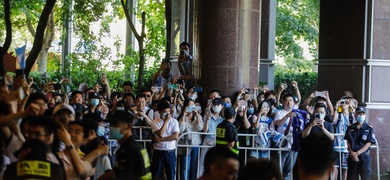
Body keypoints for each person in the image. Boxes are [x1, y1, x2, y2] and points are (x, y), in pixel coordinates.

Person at [99, 111, 152, 179]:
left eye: (115, 125)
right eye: (111, 125)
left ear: (128, 126)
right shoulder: (131, 146)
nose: (111, 127)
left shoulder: (129, 149)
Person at [344, 107, 376, 180]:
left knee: (365, 177)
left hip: (364, 156)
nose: (361, 116)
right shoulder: (350, 128)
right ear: (355, 115)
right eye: (359, 114)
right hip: (352, 157)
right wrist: (352, 153)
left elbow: (369, 143)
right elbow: (348, 141)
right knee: (352, 177)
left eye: (363, 114)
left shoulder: (369, 128)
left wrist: (357, 153)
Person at [151, 101, 179, 180]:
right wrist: (166, 121)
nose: (167, 114)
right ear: (159, 112)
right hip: (158, 151)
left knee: (171, 174)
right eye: (164, 112)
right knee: (157, 175)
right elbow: (160, 133)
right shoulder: (154, 122)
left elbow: (175, 136)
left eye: (168, 112)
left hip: (170, 152)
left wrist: (161, 139)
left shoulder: (174, 121)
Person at [177, 99, 204, 180]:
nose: (191, 108)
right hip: (185, 145)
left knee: (194, 167)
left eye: (193, 106)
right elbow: (180, 129)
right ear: (185, 107)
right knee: (185, 168)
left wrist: (197, 115)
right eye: (189, 106)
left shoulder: (198, 117)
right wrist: (184, 115)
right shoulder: (181, 117)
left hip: (196, 144)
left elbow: (200, 128)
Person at [332, 98, 355, 180]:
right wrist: (336, 108)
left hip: (347, 147)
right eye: (343, 102)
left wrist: (352, 107)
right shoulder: (339, 115)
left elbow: (357, 123)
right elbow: (333, 120)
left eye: (346, 102)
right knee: (335, 168)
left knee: (345, 169)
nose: (344, 104)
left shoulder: (351, 116)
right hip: (337, 146)